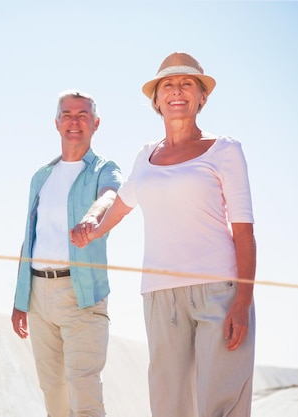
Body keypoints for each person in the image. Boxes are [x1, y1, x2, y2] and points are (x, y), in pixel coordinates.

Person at [71, 52, 256, 417]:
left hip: (218, 292)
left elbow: (245, 232)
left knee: (219, 402)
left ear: (202, 96)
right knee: (168, 404)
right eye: (168, 85)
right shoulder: (145, 157)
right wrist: (93, 230)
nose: (177, 91)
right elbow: (121, 206)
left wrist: (242, 302)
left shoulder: (225, 151)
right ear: (156, 100)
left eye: (188, 84)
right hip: (159, 294)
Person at [11, 89, 123, 417]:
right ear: (57, 123)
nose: (75, 122)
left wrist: (92, 216)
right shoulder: (42, 177)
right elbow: (31, 237)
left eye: (83, 115)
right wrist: (20, 300)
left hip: (81, 295)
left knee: (84, 394)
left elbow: (111, 196)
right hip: (38, 296)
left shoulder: (104, 168)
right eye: (68, 115)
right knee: (54, 396)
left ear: (96, 123)